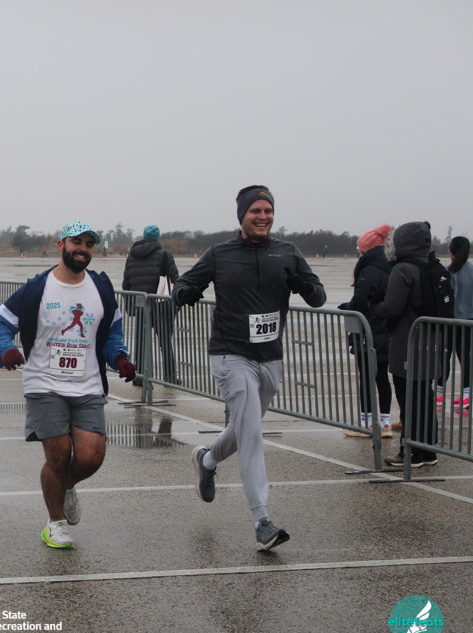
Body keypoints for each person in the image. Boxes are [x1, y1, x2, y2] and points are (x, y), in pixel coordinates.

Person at [174, 185, 326, 551]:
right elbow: (182, 285)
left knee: (246, 426)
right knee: (252, 434)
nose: (263, 217)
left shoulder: (287, 252)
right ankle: (262, 520)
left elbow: (318, 296)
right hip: (230, 355)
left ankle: (208, 460)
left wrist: (303, 283)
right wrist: (186, 292)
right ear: (242, 216)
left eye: (267, 211)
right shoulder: (219, 254)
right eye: (255, 211)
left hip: (270, 357)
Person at [0, 221, 136, 549]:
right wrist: (4, 350)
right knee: (59, 454)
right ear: (61, 245)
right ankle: (55, 523)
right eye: (76, 242)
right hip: (44, 383)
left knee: (91, 456)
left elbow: (112, 334)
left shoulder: (101, 289)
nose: (82, 249)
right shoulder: (37, 288)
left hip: (88, 384)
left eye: (89, 244)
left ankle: (65, 486)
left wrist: (120, 358)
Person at [370, 221, 442, 468]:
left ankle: (409, 451)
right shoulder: (432, 266)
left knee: (408, 397)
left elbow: (392, 307)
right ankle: (428, 450)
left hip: (407, 341)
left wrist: (374, 305)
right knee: (425, 397)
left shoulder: (403, 269)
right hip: (430, 341)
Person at [338, 224, 393, 438]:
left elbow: (360, 300)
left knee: (368, 378)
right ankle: (385, 422)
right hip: (386, 330)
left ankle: (367, 423)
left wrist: (348, 307)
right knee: (382, 378)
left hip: (370, 331)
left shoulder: (369, 270)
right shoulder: (389, 265)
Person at [122, 224, 180, 383]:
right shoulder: (164, 255)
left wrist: (130, 306)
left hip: (141, 305)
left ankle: (140, 376)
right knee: (165, 342)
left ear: (143, 237)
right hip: (161, 305)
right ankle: (170, 376)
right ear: (157, 238)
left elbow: (126, 283)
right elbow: (175, 280)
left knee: (140, 341)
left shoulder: (132, 256)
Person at [436, 236, 473, 408]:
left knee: (444, 357)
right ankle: (466, 394)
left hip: (450, 321)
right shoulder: (471, 270)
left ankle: (439, 392)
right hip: (468, 321)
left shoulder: (447, 271)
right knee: (465, 358)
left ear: (451, 251)